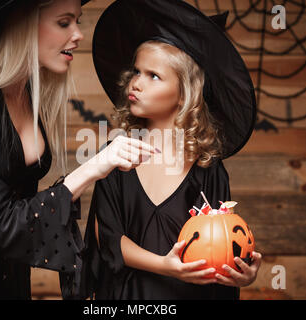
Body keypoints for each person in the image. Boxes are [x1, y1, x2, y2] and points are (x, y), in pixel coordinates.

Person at [0, 0, 157, 300]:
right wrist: (94, 166)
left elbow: (25, 209)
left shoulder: (26, 95)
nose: (78, 34)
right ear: (20, 26)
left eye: (77, 21)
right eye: (64, 22)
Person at [80, 0, 262, 300]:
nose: (135, 83)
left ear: (183, 94)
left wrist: (240, 270)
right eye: (136, 71)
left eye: (153, 76)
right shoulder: (117, 153)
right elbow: (108, 238)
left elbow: (220, 242)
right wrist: (166, 266)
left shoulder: (208, 166)